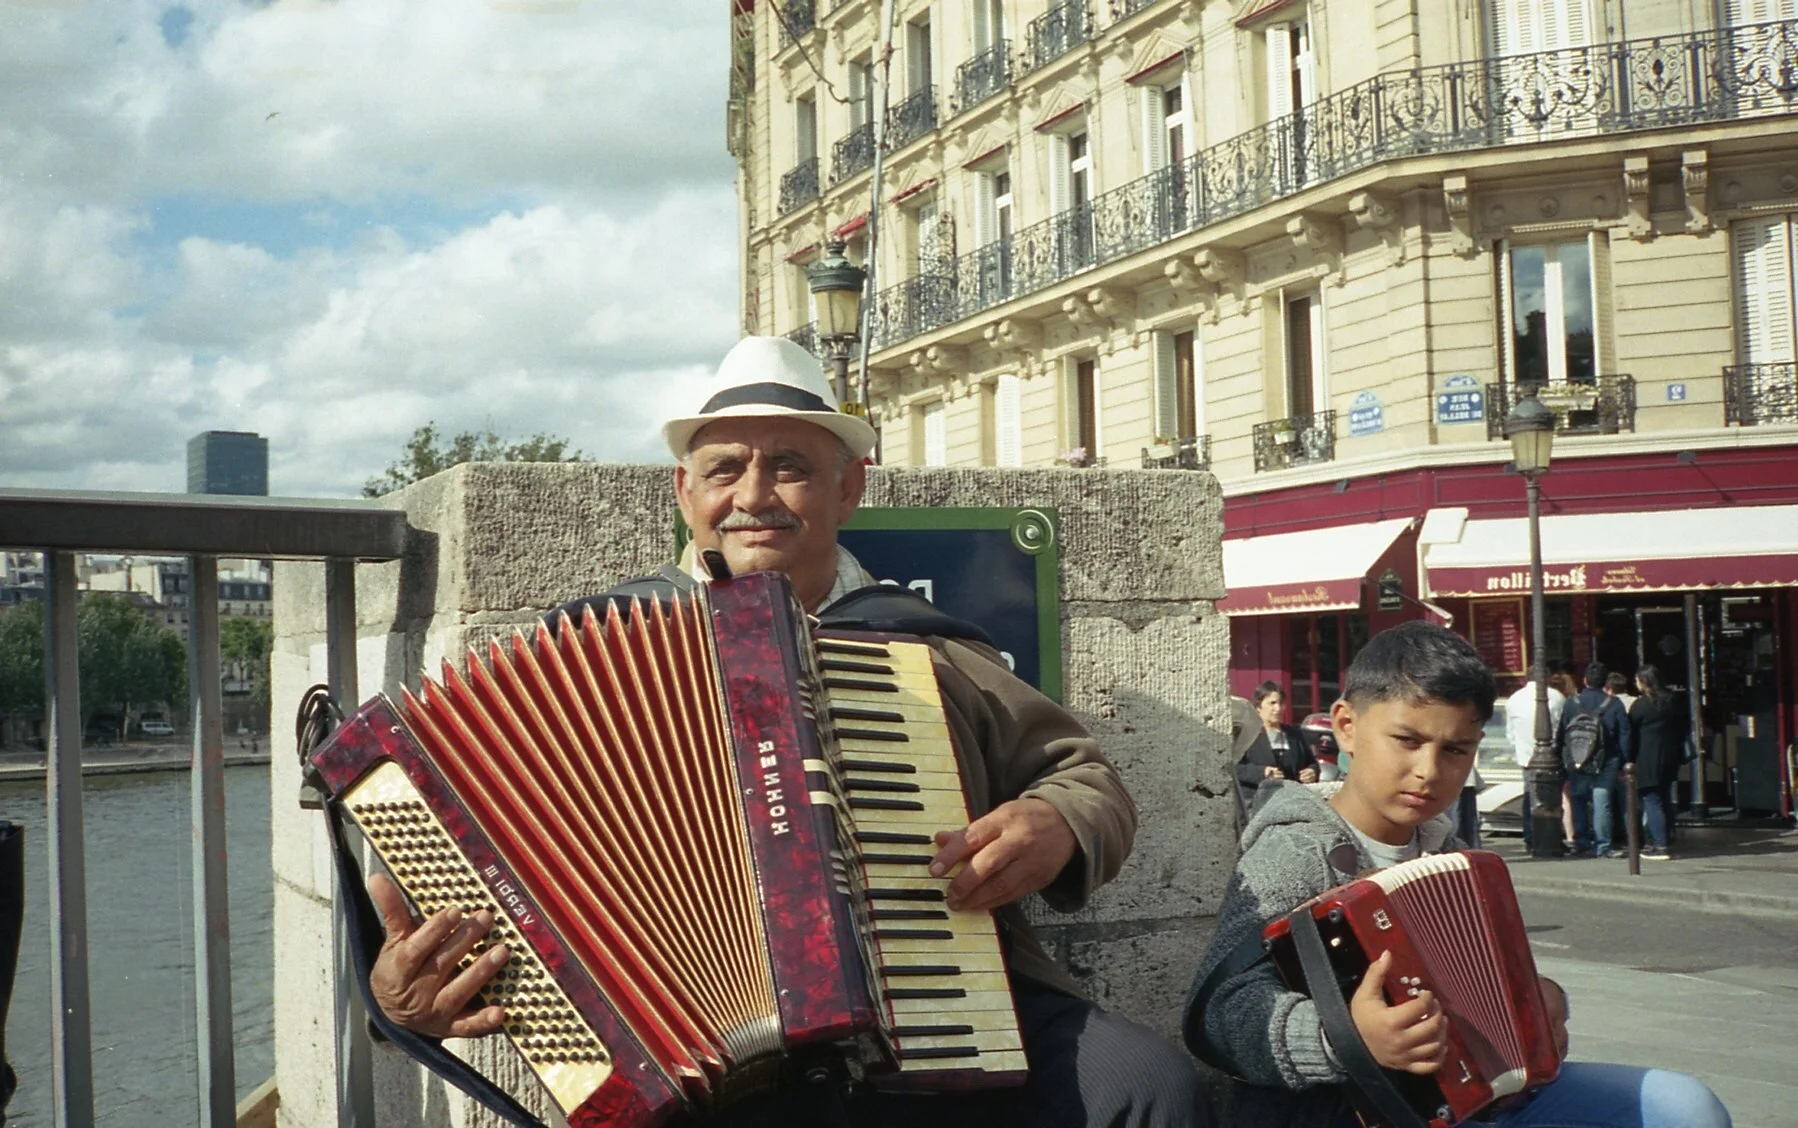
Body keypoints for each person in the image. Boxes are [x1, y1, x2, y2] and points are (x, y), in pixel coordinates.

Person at [360, 336, 1209, 1127]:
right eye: (724, 469)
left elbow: (1082, 777)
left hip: (933, 1001)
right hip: (678, 1056)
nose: (754, 496)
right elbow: (456, 877)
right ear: (686, 493)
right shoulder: (579, 651)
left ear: (849, 489)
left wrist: (1057, 823)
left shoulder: (920, 643)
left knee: (1150, 1090)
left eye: (791, 467)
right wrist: (400, 999)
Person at [1181, 621, 1731, 1128]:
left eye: (1455, 750)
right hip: (1351, 1110)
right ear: (1346, 726)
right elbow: (1219, 1013)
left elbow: (1490, 979)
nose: (1428, 770)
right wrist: (1343, 1037)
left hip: (1477, 1098)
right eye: (1407, 741)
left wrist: (1539, 1002)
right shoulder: (1294, 848)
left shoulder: (1449, 851)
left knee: (1684, 1106)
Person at [1555, 662, 1632, 859]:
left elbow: (1562, 732)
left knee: (1578, 799)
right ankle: (1603, 845)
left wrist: (1562, 758)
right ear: (1605, 682)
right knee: (1602, 801)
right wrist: (1624, 761)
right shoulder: (1614, 704)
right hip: (1607, 759)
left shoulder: (1572, 703)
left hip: (1577, 758)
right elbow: (1624, 734)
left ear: (1585, 680)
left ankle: (1581, 841)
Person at [1627, 665, 1685, 860]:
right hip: (1669, 755)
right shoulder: (1672, 701)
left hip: (1647, 756)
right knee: (1664, 797)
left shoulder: (1642, 705)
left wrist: (1628, 757)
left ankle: (1660, 844)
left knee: (1651, 799)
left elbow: (1630, 732)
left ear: (1644, 682)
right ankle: (1666, 836)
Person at [1233, 681, 1317, 814]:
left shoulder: (1294, 734)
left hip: (1291, 803)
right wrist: (1262, 772)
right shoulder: (1247, 734)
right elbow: (1234, 767)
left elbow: (1311, 762)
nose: (1278, 708)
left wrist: (1312, 772)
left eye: (1281, 703)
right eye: (1272, 703)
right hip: (1257, 805)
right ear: (1258, 707)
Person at [1505, 675, 1565, 852]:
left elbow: (1510, 733)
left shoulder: (1514, 698)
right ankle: (1553, 835)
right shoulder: (1556, 696)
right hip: (1552, 756)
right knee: (1553, 797)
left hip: (1525, 756)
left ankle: (1530, 836)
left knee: (1529, 795)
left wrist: (1520, 746)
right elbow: (1561, 726)